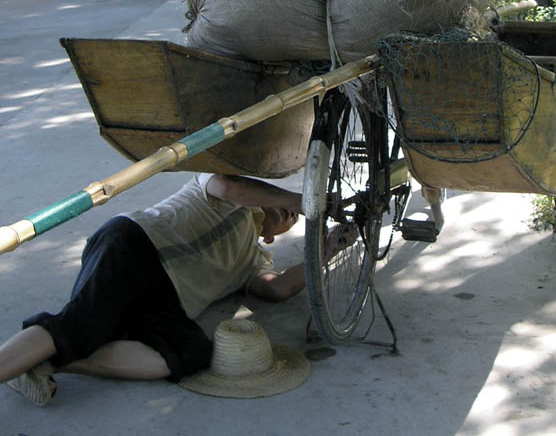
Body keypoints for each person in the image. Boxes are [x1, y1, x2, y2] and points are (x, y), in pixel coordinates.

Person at [0, 173, 348, 407]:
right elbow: (228, 186)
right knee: (80, 324)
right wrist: (304, 199)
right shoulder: (218, 192)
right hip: (134, 244)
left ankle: (47, 362)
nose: (290, 212)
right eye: (288, 206)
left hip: (166, 299)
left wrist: (328, 248)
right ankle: (20, 361)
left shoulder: (255, 259)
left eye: (292, 217)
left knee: (190, 354)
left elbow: (279, 288)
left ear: (273, 236)